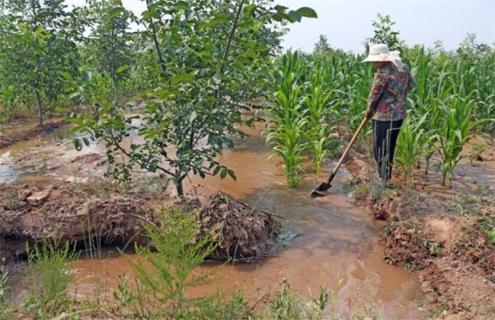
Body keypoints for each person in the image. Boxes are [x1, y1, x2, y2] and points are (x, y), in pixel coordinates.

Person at [363, 43, 414, 186]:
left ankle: (383, 180)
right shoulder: (403, 68)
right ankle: (385, 177)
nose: (373, 63)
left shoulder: (382, 73)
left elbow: (374, 96)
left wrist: (368, 113)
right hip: (399, 115)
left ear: (381, 59)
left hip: (383, 116)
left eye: (375, 61)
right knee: (390, 146)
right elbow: (410, 87)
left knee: (379, 147)